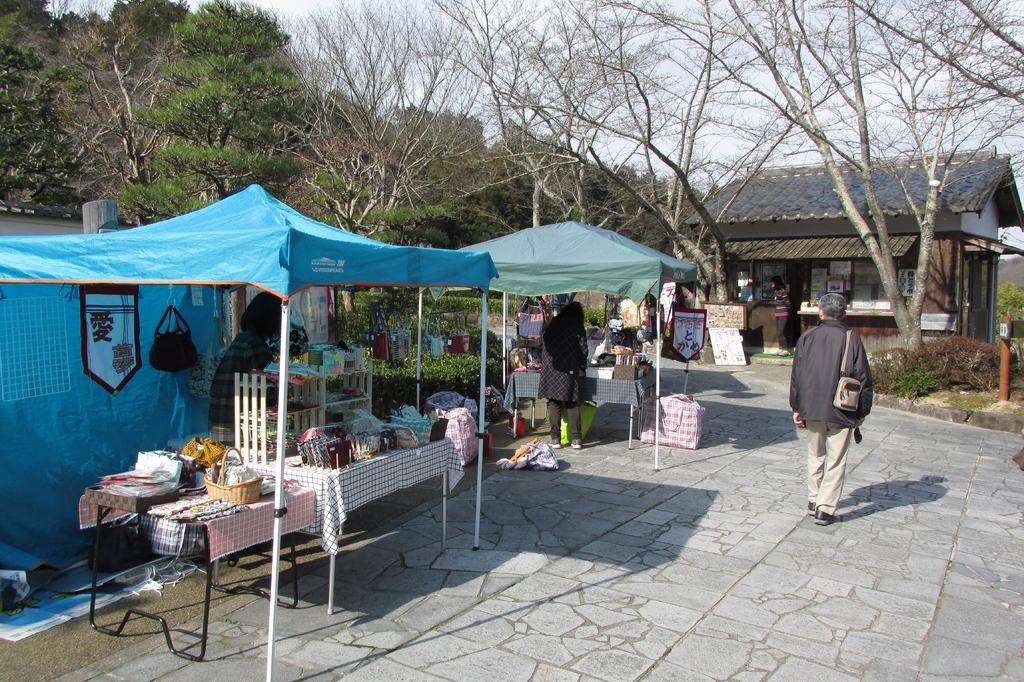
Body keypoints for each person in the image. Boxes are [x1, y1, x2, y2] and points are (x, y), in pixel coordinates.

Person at [789, 293, 873, 526]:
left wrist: (796, 406)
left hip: (812, 407)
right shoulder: (851, 339)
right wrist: (862, 411)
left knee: (815, 455)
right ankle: (825, 509)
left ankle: (814, 498)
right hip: (842, 408)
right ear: (843, 313)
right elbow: (863, 378)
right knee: (836, 460)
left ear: (820, 311)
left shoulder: (807, 337)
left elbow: (796, 375)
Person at [207, 292, 282, 444]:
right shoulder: (256, 345)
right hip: (235, 428)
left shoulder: (242, 339)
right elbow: (269, 390)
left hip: (220, 423)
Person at [538, 301, 589, 449]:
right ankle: (577, 439)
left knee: (554, 402)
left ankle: (555, 439)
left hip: (551, 367)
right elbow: (583, 350)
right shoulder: (577, 326)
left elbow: (545, 340)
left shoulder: (554, 322)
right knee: (572, 402)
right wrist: (582, 363)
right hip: (569, 368)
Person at [771, 276, 792, 355]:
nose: (771, 284)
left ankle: (785, 349)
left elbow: (788, 302)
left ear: (776, 282)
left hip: (783, 312)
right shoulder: (775, 291)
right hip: (777, 312)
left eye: (772, 282)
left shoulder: (782, 291)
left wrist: (786, 307)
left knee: (781, 330)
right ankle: (780, 348)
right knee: (778, 331)